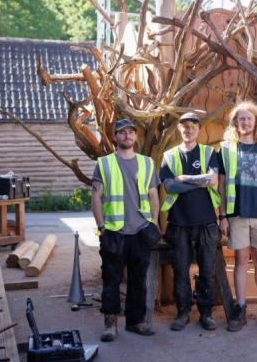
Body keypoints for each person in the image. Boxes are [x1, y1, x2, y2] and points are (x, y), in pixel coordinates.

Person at [91, 118, 161, 342]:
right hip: (114, 231)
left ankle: (135, 321)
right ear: (115, 137)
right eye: (122, 133)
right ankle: (110, 324)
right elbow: (96, 197)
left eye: (131, 132)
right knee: (111, 279)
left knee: (138, 279)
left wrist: (154, 222)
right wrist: (101, 227)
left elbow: (153, 196)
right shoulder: (104, 164)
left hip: (140, 230)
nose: (127, 136)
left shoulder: (147, 163)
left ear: (136, 137)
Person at [217, 101, 257, 332]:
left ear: (256, 122)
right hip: (237, 215)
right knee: (241, 260)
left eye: (249, 118)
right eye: (241, 118)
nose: (245, 122)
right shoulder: (225, 149)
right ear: (235, 122)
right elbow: (221, 185)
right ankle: (240, 307)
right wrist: (222, 215)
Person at [160, 112, 221, 331]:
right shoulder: (170, 156)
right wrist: (200, 181)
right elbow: (169, 186)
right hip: (179, 223)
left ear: (198, 129)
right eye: (185, 126)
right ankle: (183, 312)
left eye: (193, 126)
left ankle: (206, 313)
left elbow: (212, 180)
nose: (189, 130)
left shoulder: (208, 152)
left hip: (206, 222)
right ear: (179, 129)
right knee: (180, 270)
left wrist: (185, 178)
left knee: (207, 270)